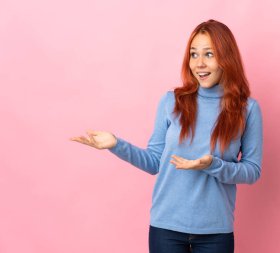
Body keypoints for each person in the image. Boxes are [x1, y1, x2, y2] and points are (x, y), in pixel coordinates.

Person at [70, 19, 263, 253]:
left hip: (215, 233)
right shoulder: (172, 102)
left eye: (209, 54)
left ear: (227, 58)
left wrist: (213, 164)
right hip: (166, 229)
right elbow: (154, 162)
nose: (199, 63)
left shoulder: (247, 109)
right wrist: (115, 144)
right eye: (194, 54)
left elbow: (252, 171)